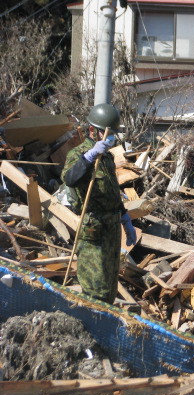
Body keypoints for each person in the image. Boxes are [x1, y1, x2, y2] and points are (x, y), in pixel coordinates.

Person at [61, 103, 137, 303]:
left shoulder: (108, 158)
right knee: (96, 286)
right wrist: (89, 157)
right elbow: (70, 178)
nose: (111, 138)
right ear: (92, 130)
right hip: (94, 229)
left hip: (112, 228)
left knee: (110, 281)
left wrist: (125, 218)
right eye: (107, 133)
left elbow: (111, 192)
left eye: (113, 134)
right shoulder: (78, 154)